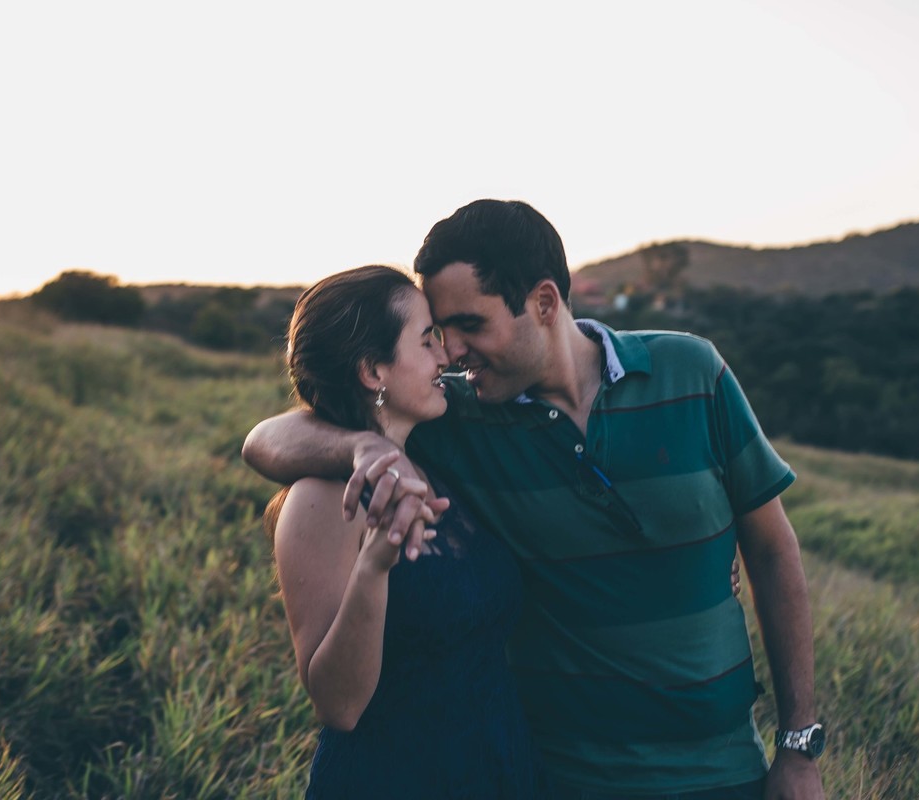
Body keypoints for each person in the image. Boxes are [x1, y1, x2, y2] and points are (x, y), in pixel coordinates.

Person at [244, 201, 826, 800]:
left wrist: (799, 746)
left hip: (724, 768)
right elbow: (267, 440)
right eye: (437, 333)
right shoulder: (458, 418)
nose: (452, 352)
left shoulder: (692, 372)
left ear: (544, 303)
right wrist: (361, 448)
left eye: (471, 324)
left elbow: (773, 550)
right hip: (561, 776)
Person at [264, 264, 548, 798]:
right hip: (396, 778)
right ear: (374, 371)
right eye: (426, 340)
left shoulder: (436, 464)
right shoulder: (322, 501)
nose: (445, 356)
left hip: (499, 768)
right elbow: (338, 706)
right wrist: (375, 566)